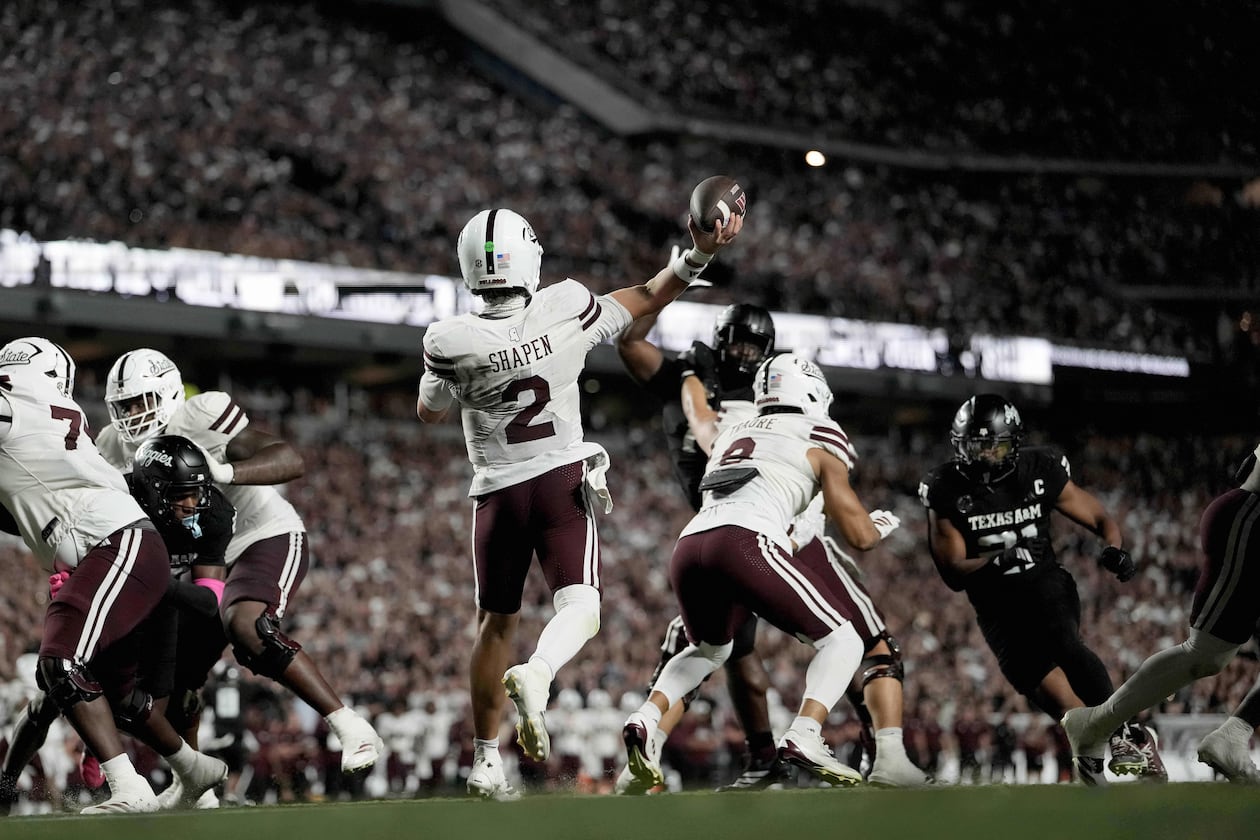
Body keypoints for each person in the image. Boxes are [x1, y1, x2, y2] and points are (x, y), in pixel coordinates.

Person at [416, 205, 742, 800]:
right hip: (559, 481)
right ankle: (538, 676)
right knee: (582, 607)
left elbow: (430, 410)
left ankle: (486, 761)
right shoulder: (565, 305)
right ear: (529, 257)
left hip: (495, 492)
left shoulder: (449, 340)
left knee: (494, 624)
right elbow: (644, 296)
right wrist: (698, 254)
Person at [616, 305, 926, 789]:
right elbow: (860, 537)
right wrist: (879, 524)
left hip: (690, 544)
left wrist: (692, 382)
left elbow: (700, 423)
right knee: (846, 639)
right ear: (811, 392)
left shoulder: (732, 430)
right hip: (755, 541)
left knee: (707, 649)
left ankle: (645, 719)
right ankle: (805, 733)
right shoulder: (820, 432)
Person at [95, 347, 383, 800]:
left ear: (169, 394)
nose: (133, 415)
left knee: (248, 628)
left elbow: (288, 458)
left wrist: (225, 469)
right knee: (178, 681)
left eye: (142, 401)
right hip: (196, 558)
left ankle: (349, 725)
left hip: (258, 534)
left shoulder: (201, 415)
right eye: (125, 406)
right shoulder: (111, 446)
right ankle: (193, 785)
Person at [0, 337, 226, 815]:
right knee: (119, 696)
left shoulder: (12, 403)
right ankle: (193, 767)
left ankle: (130, 788)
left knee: (59, 664)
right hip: (115, 545)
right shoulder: (54, 412)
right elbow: (24, 499)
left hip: (111, 543)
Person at [918, 393, 1166, 785]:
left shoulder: (1040, 467)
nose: (983, 457)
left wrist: (1114, 548)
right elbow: (951, 573)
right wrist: (998, 559)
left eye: (993, 446)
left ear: (1013, 443)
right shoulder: (945, 488)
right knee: (1056, 700)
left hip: (1043, 584)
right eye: (974, 447)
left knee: (1063, 643)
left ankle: (1128, 735)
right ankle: (1090, 751)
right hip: (995, 606)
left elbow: (1099, 515)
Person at [1062, 442, 1260, 784]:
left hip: (1247, 520)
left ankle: (1234, 736)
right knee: (1208, 655)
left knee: (1210, 656)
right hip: (1251, 522)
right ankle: (1094, 725)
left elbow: (1245, 467)